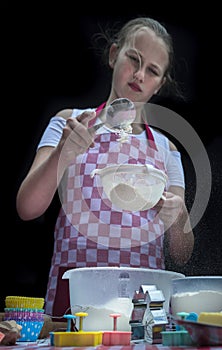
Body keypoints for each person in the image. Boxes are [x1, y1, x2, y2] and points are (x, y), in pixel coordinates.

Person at [16, 16, 194, 318]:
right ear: (114, 55)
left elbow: (181, 252)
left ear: (159, 84)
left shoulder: (167, 150)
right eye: (133, 59)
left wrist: (177, 216)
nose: (139, 74)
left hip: (144, 298)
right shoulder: (69, 123)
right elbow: (27, 208)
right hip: (75, 296)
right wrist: (64, 151)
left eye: (152, 70)